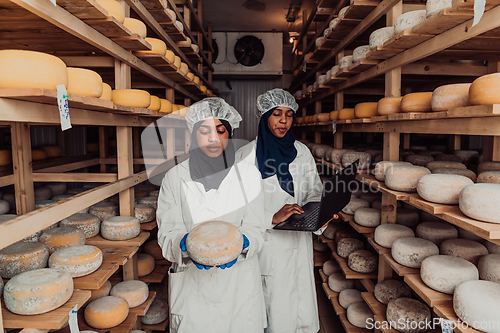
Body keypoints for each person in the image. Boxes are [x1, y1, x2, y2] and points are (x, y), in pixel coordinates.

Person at [156, 97, 267, 333]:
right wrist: (184, 245)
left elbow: (257, 229)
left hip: (239, 290)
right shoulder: (175, 177)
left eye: (220, 130)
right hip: (193, 295)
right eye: (204, 130)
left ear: (229, 133)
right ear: (193, 134)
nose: (214, 138)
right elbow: (167, 235)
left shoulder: (248, 175)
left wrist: (243, 243)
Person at [236, 88, 329, 333]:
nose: (283, 121)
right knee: (276, 316)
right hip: (270, 247)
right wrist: (272, 217)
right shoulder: (246, 156)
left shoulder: (302, 152)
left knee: (302, 312)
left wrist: (322, 212)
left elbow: (314, 191)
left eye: (288, 114)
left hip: (299, 243)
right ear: (265, 116)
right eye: (277, 114)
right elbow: (236, 208)